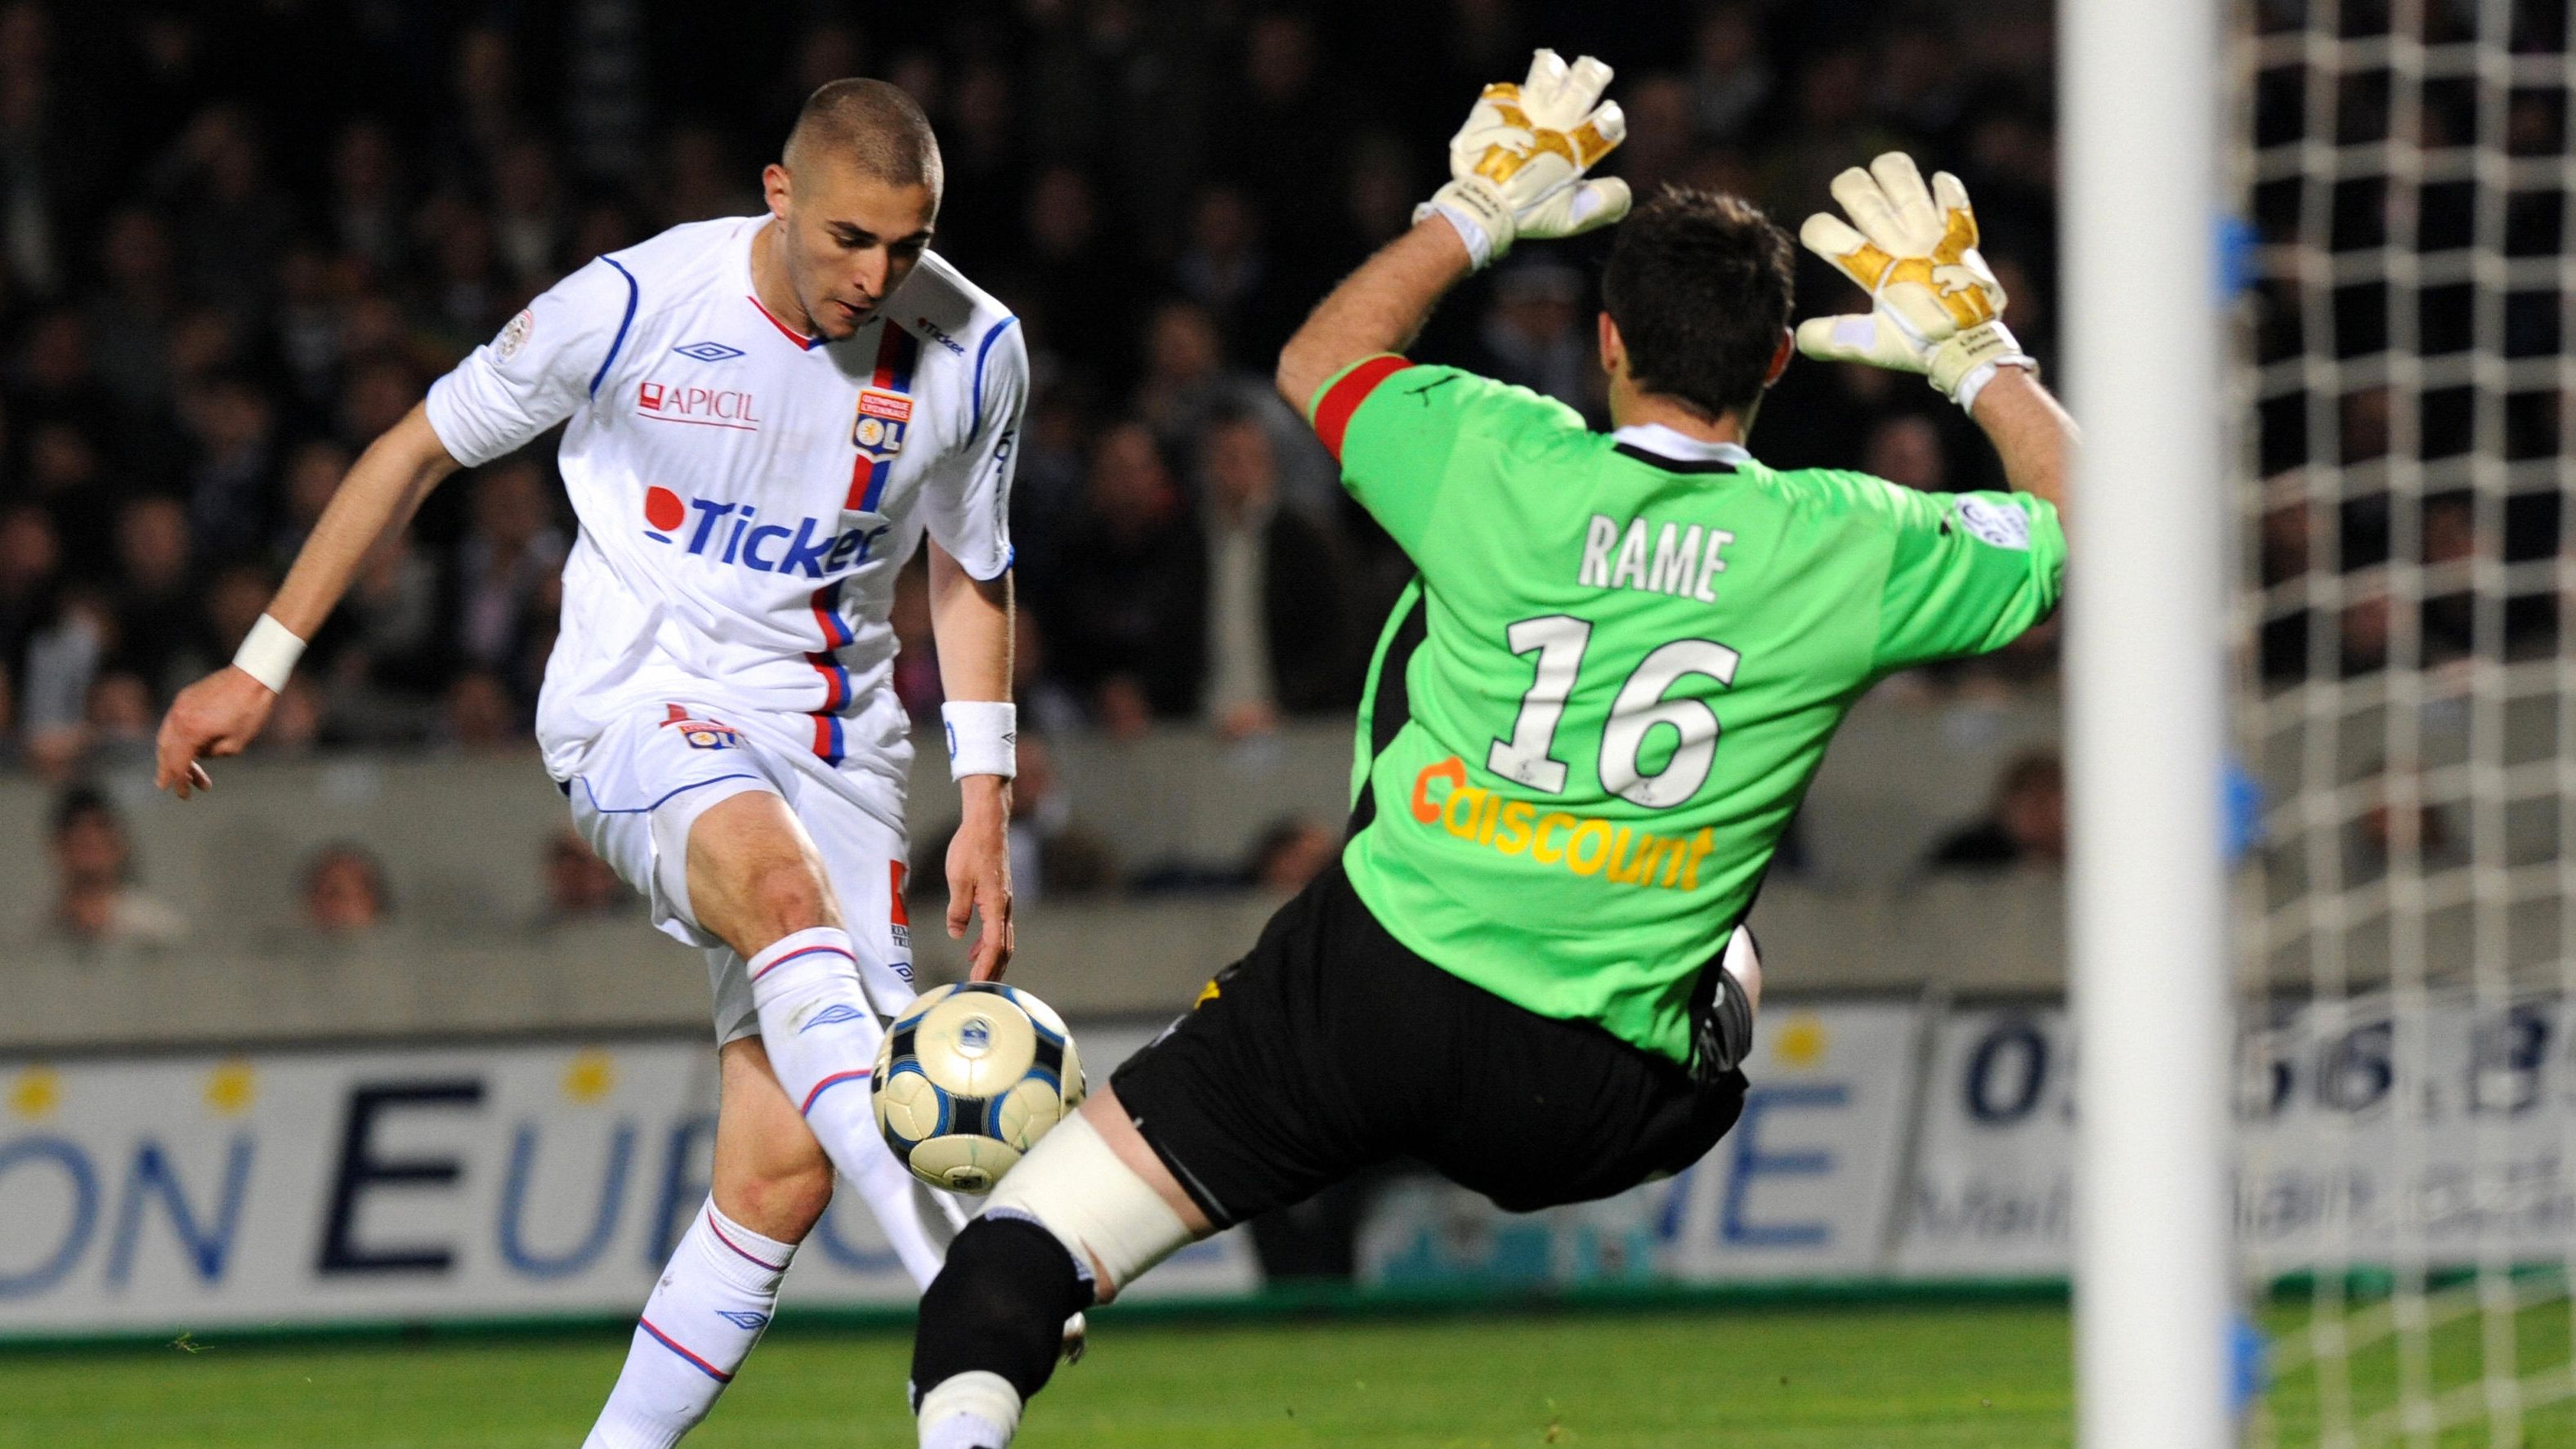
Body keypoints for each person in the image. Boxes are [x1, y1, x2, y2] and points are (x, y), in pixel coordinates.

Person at [904, 52, 2075, 1449]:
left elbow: (1317, 362)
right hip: (1597, 1092)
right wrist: (1977, 356)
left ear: (1604, 340)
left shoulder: (1495, 453)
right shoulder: (1850, 539)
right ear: (1776, 360)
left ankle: (971, 1412)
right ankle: (1695, 978)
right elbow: (2097, 521)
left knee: (1017, 1249)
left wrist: (1471, 210)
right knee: (1729, 942)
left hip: (1367, 993)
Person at [152, 79, 1041, 1449]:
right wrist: (260, 662)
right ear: (777, 191)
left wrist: (985, 799)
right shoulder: (629, 307)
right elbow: (410, 453)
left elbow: (972, 569)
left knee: (780, 1169)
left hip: (839, 748)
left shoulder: (974, 346)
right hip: (641, 704)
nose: (878, 276)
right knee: (780, 899)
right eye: (851, 238)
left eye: (908, 245)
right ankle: (970, 1263)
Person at [1923, 749, 2067, 871]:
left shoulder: (2077, 853)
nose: (2045, 815)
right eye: (2037, 803)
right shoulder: (1969, 851)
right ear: (2008, 804)